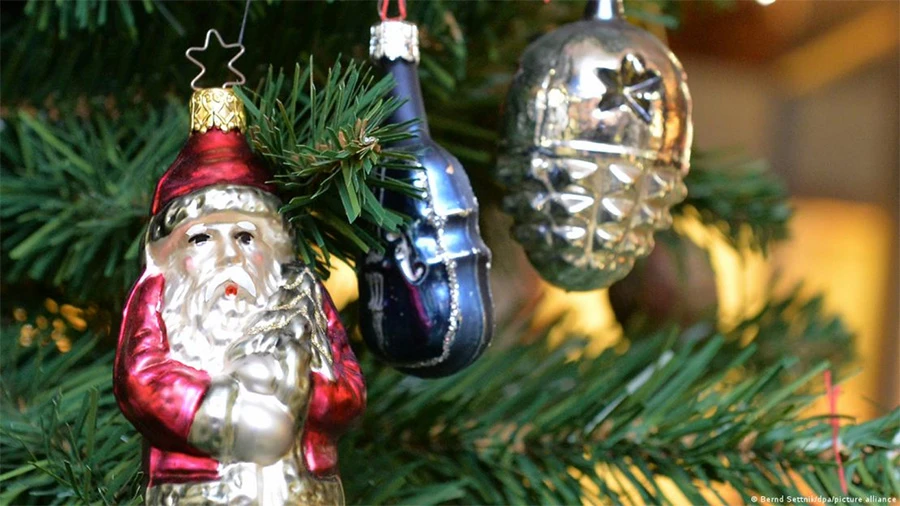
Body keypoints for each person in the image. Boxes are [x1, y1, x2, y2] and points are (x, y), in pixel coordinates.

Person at [114, 88, 365, 506]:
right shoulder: (160, 292)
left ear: (273, 245)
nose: (229, 255)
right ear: (170, 251)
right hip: (196, 491)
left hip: (305, 491)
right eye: (202, 238)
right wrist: (222, 415)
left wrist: (301, 396)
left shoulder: (301, 293)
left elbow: (350, 386)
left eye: (246, 237)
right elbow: (141, 381)